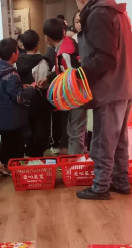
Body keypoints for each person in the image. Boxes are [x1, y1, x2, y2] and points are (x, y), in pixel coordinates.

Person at [75, 0, 132, 200]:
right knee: (119, 140)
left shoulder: (99, 14)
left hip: (111, 88)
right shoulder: (116, 11)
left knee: (104, 141)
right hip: (125, 84)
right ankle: (120, 182)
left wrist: (79, 75)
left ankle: (100, 187)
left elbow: (105, 57)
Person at [42, 18, 87, 156]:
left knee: (75, 132)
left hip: (76, 97)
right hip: (77, 95)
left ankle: (76, 163)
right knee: (73, 129)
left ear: (47, 38)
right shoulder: (69, 43)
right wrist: (49, 78)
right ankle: (75, 158)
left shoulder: (65, 53)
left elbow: (70, 75)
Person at [0, 38, 36, 175]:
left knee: (7, 141)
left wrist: (21, 86)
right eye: (17, 50)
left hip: (1, 115)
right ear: (13, 55)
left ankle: (1, 163)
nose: (19, 52)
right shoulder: (11, 74)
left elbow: (6, 90)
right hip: (13, 117)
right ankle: (16, 171)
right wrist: (32, 88)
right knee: (16, 145)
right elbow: (19, 98)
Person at [16, 30, 52, 157]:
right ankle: (36, 156)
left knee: (27, 128)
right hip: (38, 101)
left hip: (22, 100)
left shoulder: (17, 61)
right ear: (37, 44)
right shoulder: (41, 61)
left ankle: (27, 152)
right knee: (40, 128)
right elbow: (44, 83)